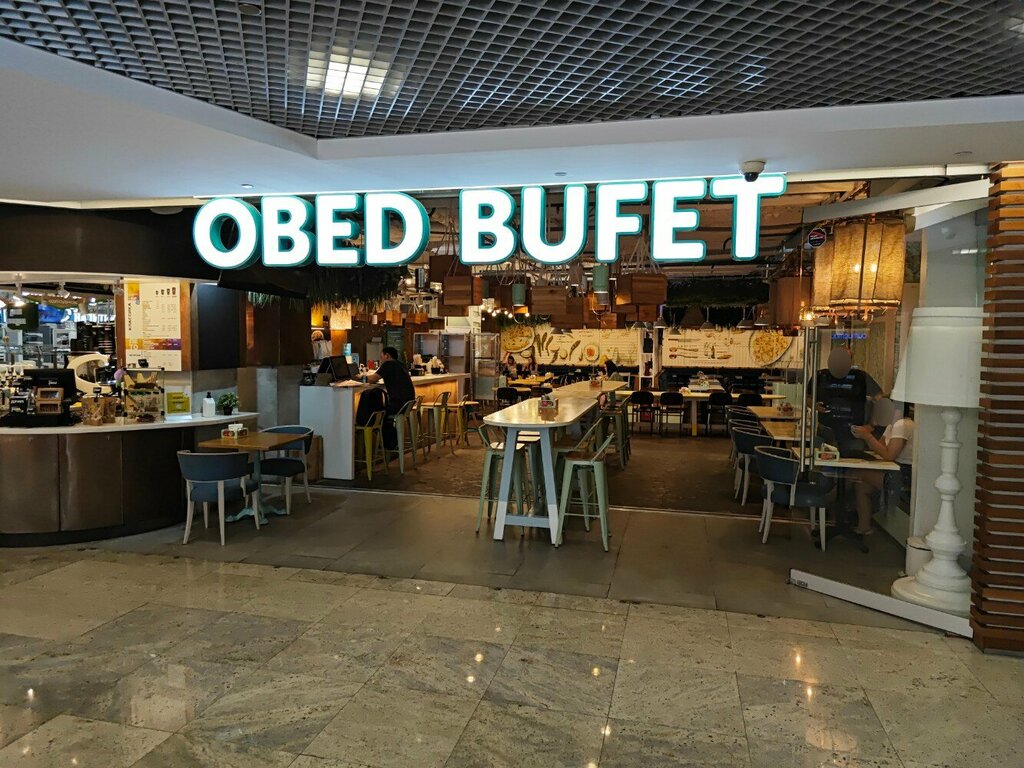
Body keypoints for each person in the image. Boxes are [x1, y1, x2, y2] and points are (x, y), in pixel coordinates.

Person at [849, 398, 914, 535]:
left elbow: (889, 455)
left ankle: (845, 511)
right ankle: (864, 526)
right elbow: (880, 448)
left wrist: (868, 437)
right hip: (894, 470)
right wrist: (870, 431)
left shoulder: (902, 425)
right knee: (862, 486)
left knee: (856, 473)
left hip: (903, 475)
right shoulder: (892, 425)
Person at [816, 347, 882, 453]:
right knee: (822, 461)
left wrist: (871, 425)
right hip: (826, 432)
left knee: (852, 461)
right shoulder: (822, 376)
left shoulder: (860, 377)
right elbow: (808, 397)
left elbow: (881, 400)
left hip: (853, 434)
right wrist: (814, 405)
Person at [367, 346, 416, 449]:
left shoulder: (388, 364)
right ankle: (390, 444)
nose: (381, 359)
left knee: (378, 415)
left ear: (387, 356)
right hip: (408, 404)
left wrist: (360, 377)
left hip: (398, 405)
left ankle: (387, 444)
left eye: (381, 357)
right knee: (382, 412)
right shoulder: (401, 365)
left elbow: (372, 379)